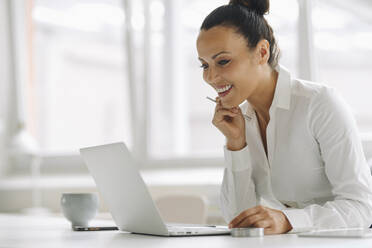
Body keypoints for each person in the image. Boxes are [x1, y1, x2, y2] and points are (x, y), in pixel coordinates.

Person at [196, 0, 372, 234]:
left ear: (261, 52)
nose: (211, 77)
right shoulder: (242, 119)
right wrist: (235, 145)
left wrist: (288, 220)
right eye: (204, 65)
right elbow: (238, 219)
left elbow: (361, 208)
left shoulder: (319, 104)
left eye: (223, 61)